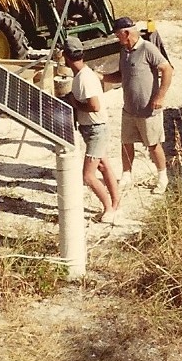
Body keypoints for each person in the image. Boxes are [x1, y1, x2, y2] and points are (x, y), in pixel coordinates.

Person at [103, 17, 174, 194]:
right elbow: (122, 75)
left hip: (148, 110)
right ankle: (126, 175)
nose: (117, 38)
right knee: (126, 142)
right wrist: (102, 77)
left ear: (126, 33)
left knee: (153, 144)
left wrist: (160, 96)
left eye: (118, 35)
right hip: (129, 109)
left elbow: (167, 69)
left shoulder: (147, 49)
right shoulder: (124, 52)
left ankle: (162, 177)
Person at [61, 35, 121, 223]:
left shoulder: (85, 79)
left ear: (65, 56)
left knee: (88, 175)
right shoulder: (84, 75)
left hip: (96, 130)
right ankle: (116, 201)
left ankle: (109, 209)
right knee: (103, 166)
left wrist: (75, 104)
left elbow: (94, 106)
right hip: (92, 129)